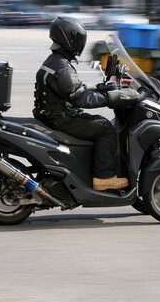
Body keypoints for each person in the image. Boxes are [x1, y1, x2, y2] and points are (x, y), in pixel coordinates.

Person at [33, 16, 134, 191]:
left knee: (98, 123)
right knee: (105, 127)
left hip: (52, 116)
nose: (80, 44)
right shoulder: (62, 67)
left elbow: (74, 89)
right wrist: (112, 98)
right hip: (62, 118)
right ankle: (104, 178)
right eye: (78, 39)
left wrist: (102, 89)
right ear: (70, 39)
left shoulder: (54, 62)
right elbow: (80, 98)